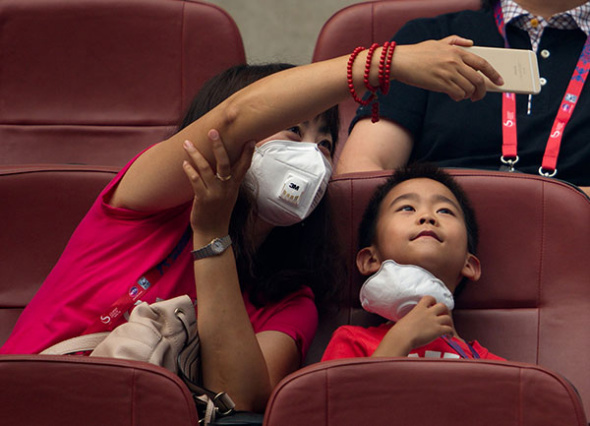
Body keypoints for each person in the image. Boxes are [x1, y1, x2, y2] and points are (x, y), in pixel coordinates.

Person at [0, 41, 502, 412]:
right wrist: (386, 63)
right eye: (293, 130)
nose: (312, 157)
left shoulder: (291, 299)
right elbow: (238, 116)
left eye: (326, 144)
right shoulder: (142, 201)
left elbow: (238, 399)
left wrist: (210, 235)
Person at [337, 0, 590, 197]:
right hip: (430, 238)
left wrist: (553, 206)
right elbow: (361, 174)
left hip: (574, 238)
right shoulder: (429, 40)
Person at [322, 164, 504, 361]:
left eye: (445, 211)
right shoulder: (352, 342)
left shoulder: (490, 364)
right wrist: (400, 340)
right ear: (370, 259)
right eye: (407, 208)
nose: (427, 217)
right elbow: (343, 393)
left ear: (469, 265)